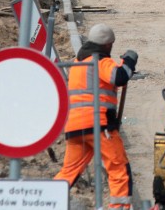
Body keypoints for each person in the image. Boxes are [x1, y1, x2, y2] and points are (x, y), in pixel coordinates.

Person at [54, 24, 137, 210]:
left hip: (75, 127)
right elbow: (120, 76)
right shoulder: (99, 61)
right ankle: (119, 208)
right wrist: (129, 60)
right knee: (119, 168)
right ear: (108, 44)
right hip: (99, 126)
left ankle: (45, 202)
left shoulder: (78, 62)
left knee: (69, 172)